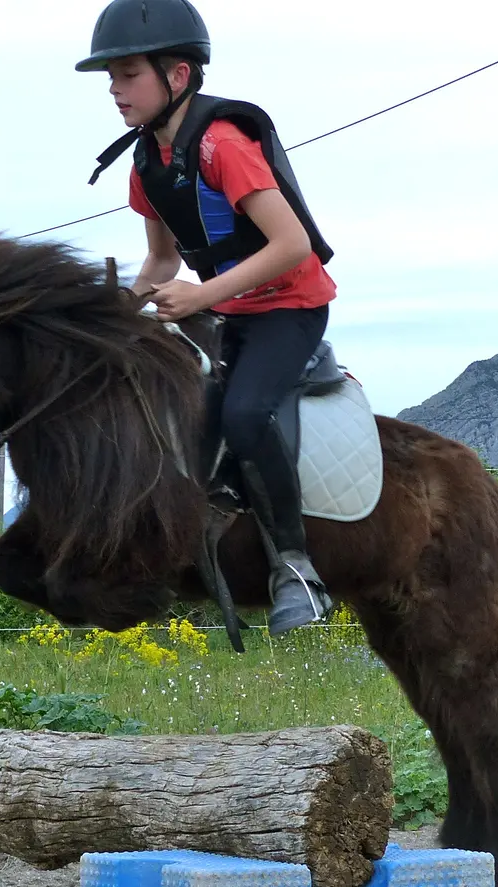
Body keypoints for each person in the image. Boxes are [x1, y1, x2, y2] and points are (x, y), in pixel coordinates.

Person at [77, 0, 337, 635]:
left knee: (246, 416)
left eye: (128, 73)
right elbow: (162, 261)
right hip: (230, 311)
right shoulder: (145, 165)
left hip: (290, 309)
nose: (115, 90)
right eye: (111, 77)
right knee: (181, 428)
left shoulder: (224, 145)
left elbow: (292, 245)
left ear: (179, 75)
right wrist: (120, 309)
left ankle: (299, 571)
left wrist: (201, 296)